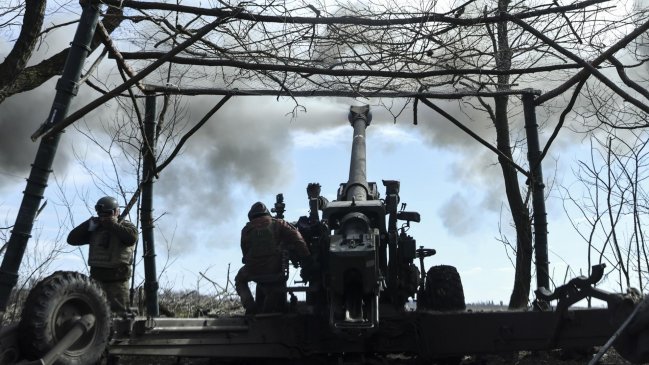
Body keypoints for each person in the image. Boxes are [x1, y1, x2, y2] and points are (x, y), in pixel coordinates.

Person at [235, 201, 310, 314]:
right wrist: (307, 258)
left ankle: (250, 306)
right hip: (275, 268)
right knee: (275, 283)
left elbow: (245, 253)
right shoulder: (279, 223)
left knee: (240, 279)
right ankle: (269, 307)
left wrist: (252, 263)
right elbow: (298, 239)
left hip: (253, 269)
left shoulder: (246, 229)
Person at [67, 196, 138, 314]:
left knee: (119, 315)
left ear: (116, 212)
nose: (104, 217)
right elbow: (72, 239)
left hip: (117, 281)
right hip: (96, 279)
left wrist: (112, 225)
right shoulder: (96, 229)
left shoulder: (126, 226)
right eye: (101, 214)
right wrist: (87, 225)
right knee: (94, 313)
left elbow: (131, 238)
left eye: (107, 214)